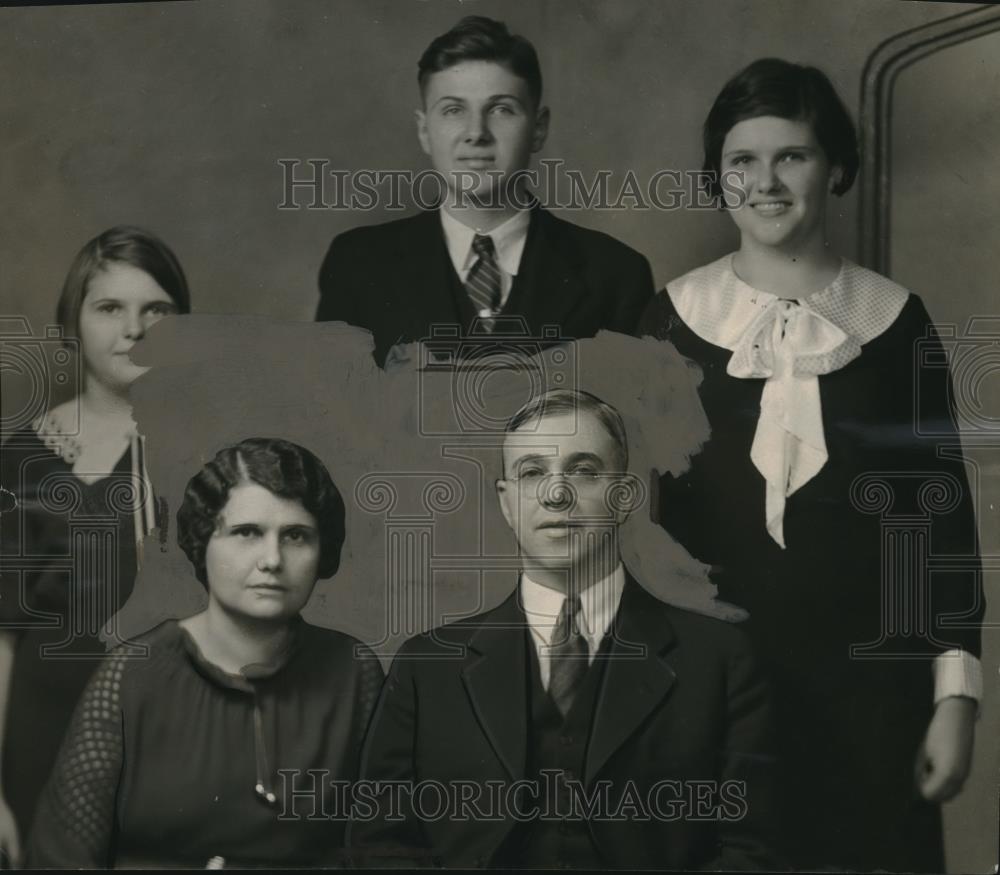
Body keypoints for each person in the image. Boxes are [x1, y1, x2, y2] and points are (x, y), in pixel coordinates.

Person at [637, 58, 983, 872]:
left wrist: (955, 698)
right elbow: (639, 529)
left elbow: (939, 524)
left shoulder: (895, 322)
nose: (766, 181)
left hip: (874, 696)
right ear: (718, 178)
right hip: (713, 691)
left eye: (790, 155)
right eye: (742, 161)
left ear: (835, 168)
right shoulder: (669, 320)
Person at [350, 389, 777, 870]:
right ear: (507, 503)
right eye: (533, 473)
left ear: (624, 496)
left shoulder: (718, 658)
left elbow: (749, 849)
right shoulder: (426, 665)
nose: (557, 493)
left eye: (584, 470)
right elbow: (381, 845)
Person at [26, 437, 383, 868]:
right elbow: (60, 860)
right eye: (246, 532)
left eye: (296, 535)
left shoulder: (353, 671)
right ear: (202, 541)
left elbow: (379, 847)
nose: (272, 559)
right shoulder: (134, 674)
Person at [0, 226, 191, 866]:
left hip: (170, 727)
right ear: (73, 322)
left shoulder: (216, 450)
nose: (134, 329)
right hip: (43, 725)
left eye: (155, 310)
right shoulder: (25, 458)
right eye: (109, 307)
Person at [315, 15, 654, 367]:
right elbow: (328, 414)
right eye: (453, 110)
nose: (476, 132)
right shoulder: (357, 265)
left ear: (538, 129)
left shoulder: (615, 275)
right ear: (424, 131)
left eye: (501, 109)